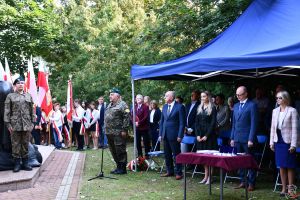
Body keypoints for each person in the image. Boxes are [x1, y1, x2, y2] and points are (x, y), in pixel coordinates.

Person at [270, 91, 299, 196]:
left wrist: (293, 145)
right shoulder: (275, 111)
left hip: (288, 142)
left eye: (280, 98)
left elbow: (295, 129)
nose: (277, 99)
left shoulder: (293, 111)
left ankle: (290, 189)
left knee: (290, 166)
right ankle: (283, 188)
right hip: (278, 141)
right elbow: (273, 128)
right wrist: (271, 142)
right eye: (277, 98)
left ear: (286, 99)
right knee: (281, 165)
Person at [4, 77, 34, 172]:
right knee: (15, 144)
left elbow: (32, 111)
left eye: (22, 83)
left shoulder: (28, 96)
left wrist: (32, 123)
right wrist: (8, 125)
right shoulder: (10, 96)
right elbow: (7, 111)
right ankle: (17, 164)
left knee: (25, 143)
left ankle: (25, 163)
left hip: (26, 124)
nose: (21, 84)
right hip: (15, 125)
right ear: (15, 85)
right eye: (18, 83)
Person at [231, 86, 258, 192]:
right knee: (239, 161)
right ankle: (243, 181)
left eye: (240, 94)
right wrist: (232, 138)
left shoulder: (252, 105)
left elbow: (253, 124)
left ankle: (251, 183)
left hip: (247, 139)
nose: (237, 97)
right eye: (236, 95)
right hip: (237, 138)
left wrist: (251, 139)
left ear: (246, 94)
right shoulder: (236, 105)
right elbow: (234, 123)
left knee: (250, 161)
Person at [159, 91, 185, 180]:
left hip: (175, 135)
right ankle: (169, 171)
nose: (164, 97)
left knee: (176, 154)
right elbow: (162, 121)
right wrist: (161, 134)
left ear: (171, 97)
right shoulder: (165, 106)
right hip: (165, 134)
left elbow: (182, 123)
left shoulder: (180, 107)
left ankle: (179, 173)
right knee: (167, 154)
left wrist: (180, 135)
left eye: (166, 96)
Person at [104, 88, 130, 174]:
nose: (110, 96)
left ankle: (122, 168)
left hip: (118, 132)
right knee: (113, 150)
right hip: (109, 132)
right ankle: (118, 166)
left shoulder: (123, 105)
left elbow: (127, 117)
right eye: (110, 94)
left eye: (112, 94)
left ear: (117, 95)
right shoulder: (109, 105)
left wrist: (124, 130)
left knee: (120, 150)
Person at [195, 91, 217, 184]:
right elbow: (196, 122)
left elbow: (213, 123)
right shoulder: (199, 107)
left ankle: (210, 177)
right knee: (204, 157)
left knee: (210, 157)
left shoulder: (213, 108)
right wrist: (198, 135)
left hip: (210, 136)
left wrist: (206, 135)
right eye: (201, 97)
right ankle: (205, 176)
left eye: (204, 96)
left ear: (208, 97)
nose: (202, 98)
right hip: (200, 135)